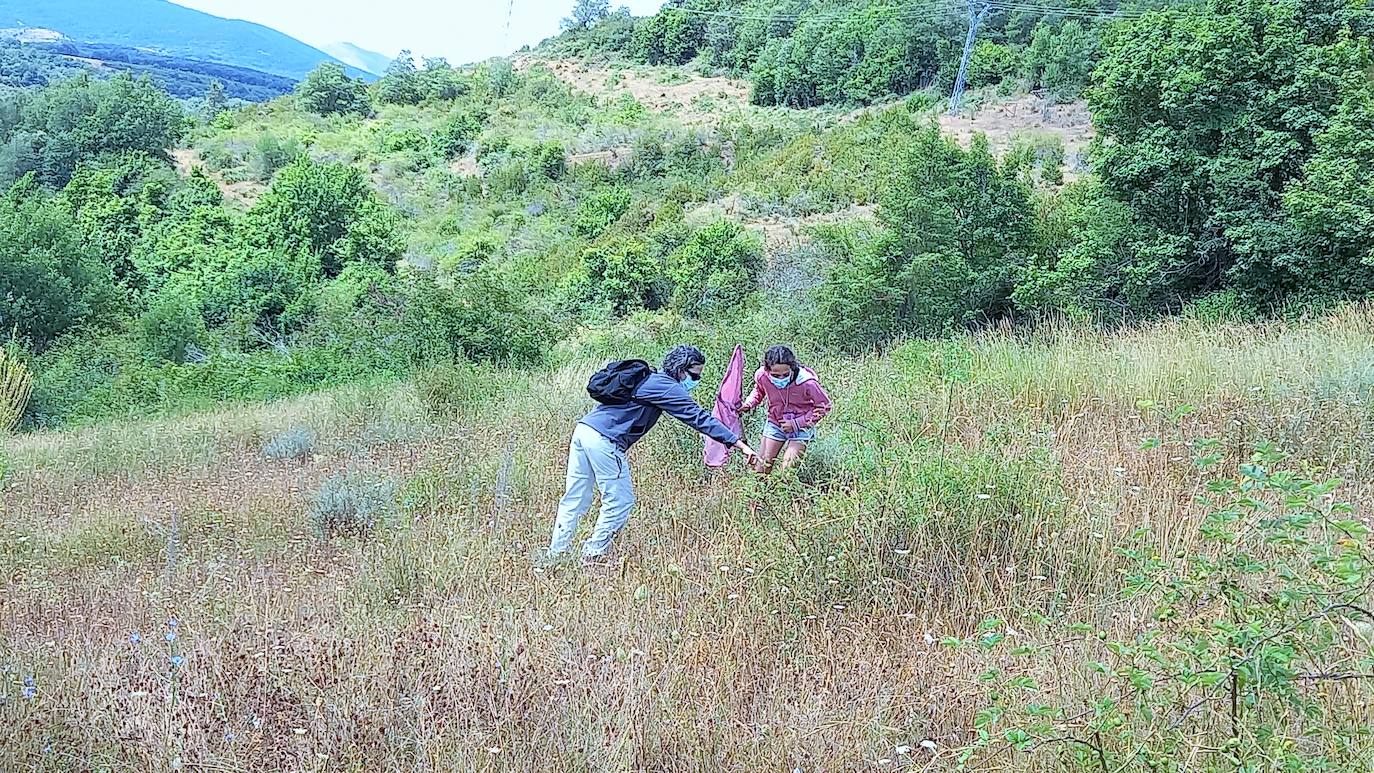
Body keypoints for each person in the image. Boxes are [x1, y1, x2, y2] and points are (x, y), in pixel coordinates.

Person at [547, 344, 758, 564]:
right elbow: (699, 418)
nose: (696, 381)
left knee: (575, 497)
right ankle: (594, 554)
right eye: (694, 375)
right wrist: (738, 444)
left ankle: (556, 553)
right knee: (620, 501)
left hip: (584, 430)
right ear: (681, 370)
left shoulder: (651, 379)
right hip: (604, 439)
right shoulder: (667, 387)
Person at [739, 345, 832, 473]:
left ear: (792, 368)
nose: (781, 379)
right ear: (767, 370)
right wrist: (748, 404)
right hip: (775, 423)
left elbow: (824, 406)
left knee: (787, 473)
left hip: (801, 428)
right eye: (776, 375)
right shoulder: (762, 376)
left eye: (785, 374)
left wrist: (797, 423)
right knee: (761, 468)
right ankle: (761, 492)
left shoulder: (807, 382)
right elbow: (759, 390)